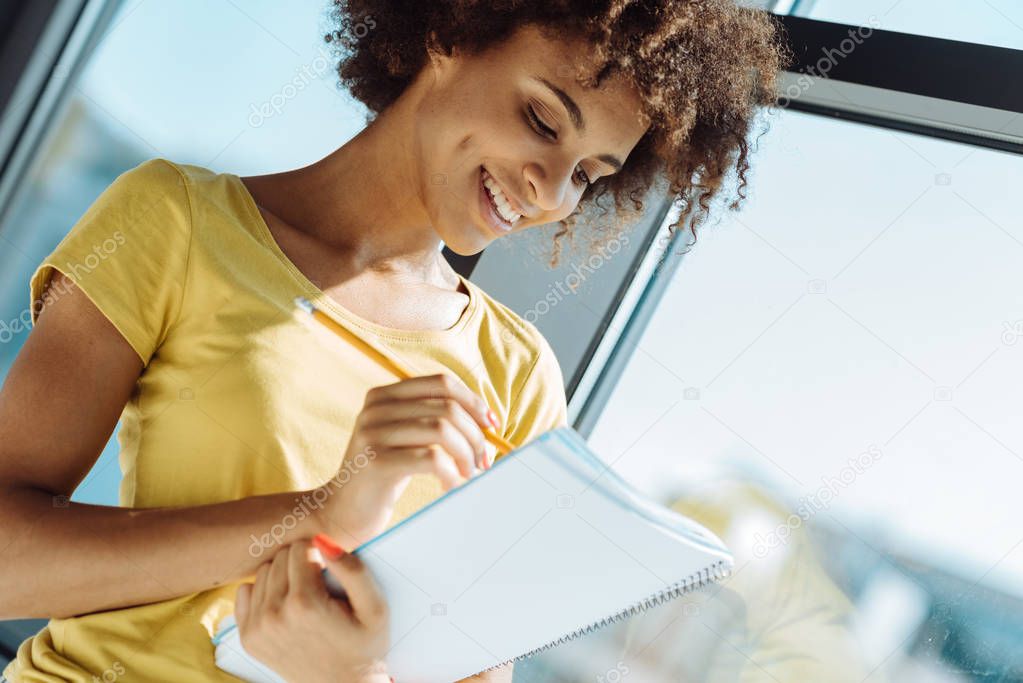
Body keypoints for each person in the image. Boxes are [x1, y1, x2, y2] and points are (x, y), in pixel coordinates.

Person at [0, 0, 785, 681]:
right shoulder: (176, 221)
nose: (548, 190)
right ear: (449, 30)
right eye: (542, 121)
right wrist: (317, 514)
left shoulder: (514, 378)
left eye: (587, 175)